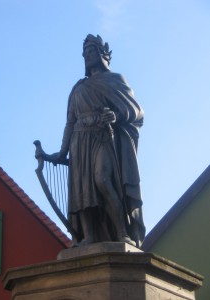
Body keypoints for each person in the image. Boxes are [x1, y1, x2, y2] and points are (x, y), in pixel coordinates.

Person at [42, 34, 145, 247]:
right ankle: (88, 236)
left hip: (103, 136)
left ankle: (122, 233)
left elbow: (136, 111)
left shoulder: (116, 80)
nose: (88, 56)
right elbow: (70, 122)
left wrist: (116, 116)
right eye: (85, 53)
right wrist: (62, 153)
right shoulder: (78, 88)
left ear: (103, 54)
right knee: (83, 190)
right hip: (79, 142)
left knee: (102, 180)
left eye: (92, 52)